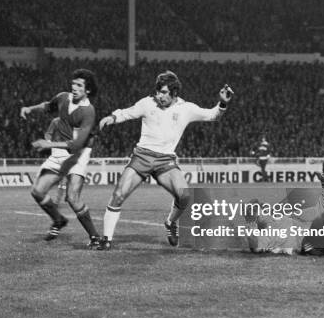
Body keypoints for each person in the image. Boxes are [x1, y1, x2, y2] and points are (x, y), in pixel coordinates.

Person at [96, 70, 234, 250]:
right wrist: (112, 117)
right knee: (118, 195)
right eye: (158, 92)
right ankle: (106, 239)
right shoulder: (147, 103)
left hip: (166, 161)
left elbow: (212, 115)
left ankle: (170, 222)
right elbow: (127, 113)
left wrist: (222, 103)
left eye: (164, 93)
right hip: (142, 156)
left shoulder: (186, 108)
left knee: (184, 195)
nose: (159, 96)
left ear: (174, 93)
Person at [20, 69, 101, 247]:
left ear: (87, 90)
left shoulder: (88, 111)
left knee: (72, 197)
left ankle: (95, 238)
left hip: (78, 154)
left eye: (79, 85)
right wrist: (30, 109)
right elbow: (47, 106)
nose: (74, 87)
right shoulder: (63, 97)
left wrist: (47, 145)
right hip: (60, 151)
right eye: (73, 83)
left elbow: (77, 144)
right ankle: (58, 220)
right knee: (37, 191)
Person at [44, 117, 67, 205]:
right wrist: (49, 142)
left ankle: (57, 201)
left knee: (64, 180)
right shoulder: (55, 121)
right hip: (56, 152)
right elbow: (48, 133)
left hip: (68, 153)